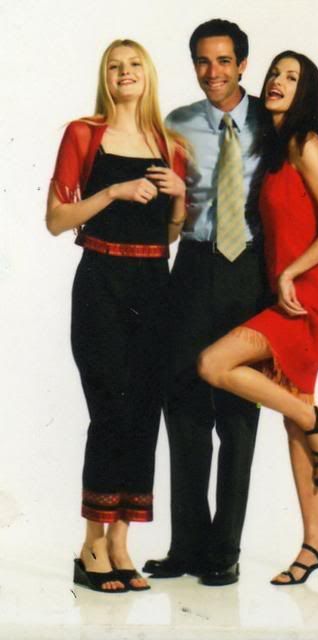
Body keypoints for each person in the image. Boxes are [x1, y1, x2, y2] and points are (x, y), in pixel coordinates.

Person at [197, 51, 318, 585]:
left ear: (306, 92)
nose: (278, 82)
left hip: (310, 295)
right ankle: (317, 541)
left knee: (215, 364)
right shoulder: (273, 146)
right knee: (293, 418)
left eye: (292, 77)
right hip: (286, 294)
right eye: (274, 74)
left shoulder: (306, 144)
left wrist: (291, 273)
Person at [46, 38, 186, 593]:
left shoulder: (171, 145)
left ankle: (121, 542)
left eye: (133, 65)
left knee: (144, 410)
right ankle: (91, 544)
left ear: (148, 74)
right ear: (105, 77)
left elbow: (170, 234)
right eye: (114, 66)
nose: (125, 72)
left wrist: (180, 196)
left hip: (155, 283)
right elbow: (56, 219)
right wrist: (113, 192)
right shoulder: (84, 133)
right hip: (101, 281)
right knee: (109, 408)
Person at [142, 19, 269, 587]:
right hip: (192, 268)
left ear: (243, 64)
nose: (212, 72)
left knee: (238, 415)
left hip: (251, 272)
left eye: (223, 61)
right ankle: (187, 546)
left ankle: (225, 550)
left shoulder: (272, 121)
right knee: (184, 407)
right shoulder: (177, 124)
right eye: (202, 60)